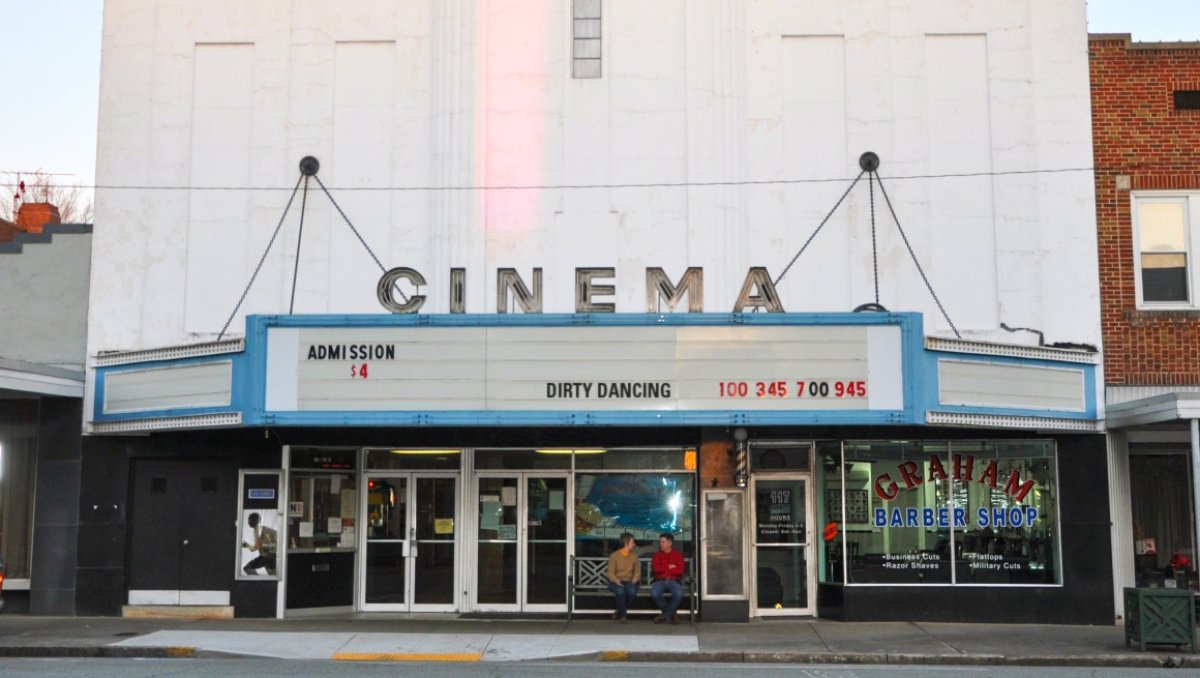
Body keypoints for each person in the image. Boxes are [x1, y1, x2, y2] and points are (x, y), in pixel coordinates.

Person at [651, 532, 686, 624]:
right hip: (660, 581)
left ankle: (665, 615)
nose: (660, 544)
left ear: (670, 543)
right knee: (655, 593)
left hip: (674, 581)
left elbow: (680, 571)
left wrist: (664, 568)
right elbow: (656, 570)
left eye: (663, 542)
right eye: (660, 542)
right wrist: (670, 566)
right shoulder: (657, 555)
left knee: (678, 593)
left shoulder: (678, 555)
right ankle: (671, 614)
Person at [606, 532, 640, 622]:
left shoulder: (634, 556)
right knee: (620, 591)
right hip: (616, 581)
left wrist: (635, 578)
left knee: (632, 592)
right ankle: (623, 616)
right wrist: (616, 580)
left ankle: (619, 609)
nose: (634, 544)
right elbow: (610, 572)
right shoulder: (615, 556)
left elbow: (637, 571)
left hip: (629, 581)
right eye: (632, 542)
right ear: (626, 543)